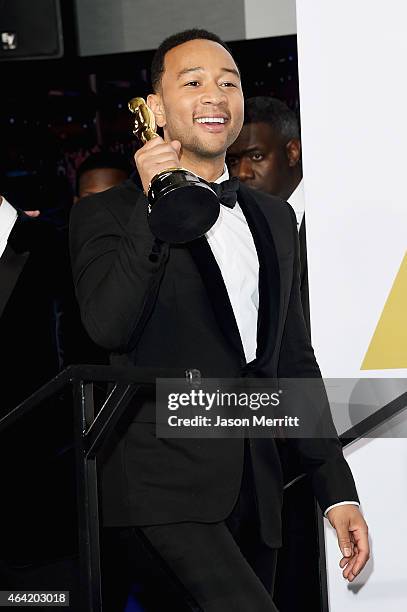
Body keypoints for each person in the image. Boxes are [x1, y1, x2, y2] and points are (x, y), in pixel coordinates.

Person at [70, 29, 369, 611]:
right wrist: (158, 205)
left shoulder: (274, 218)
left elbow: (292, 360)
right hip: (161, 497)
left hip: (258, 493)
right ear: (155, 109)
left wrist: (336, 492)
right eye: (193, 83)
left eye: (229, 83)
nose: (215, 95)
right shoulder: (108, 215)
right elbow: (108, 326)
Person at [226, 96, 310, 331]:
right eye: (233, 160)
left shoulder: (330, 210)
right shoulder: (231, 222)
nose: (242, 173)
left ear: (292, 152)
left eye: (256, 156)